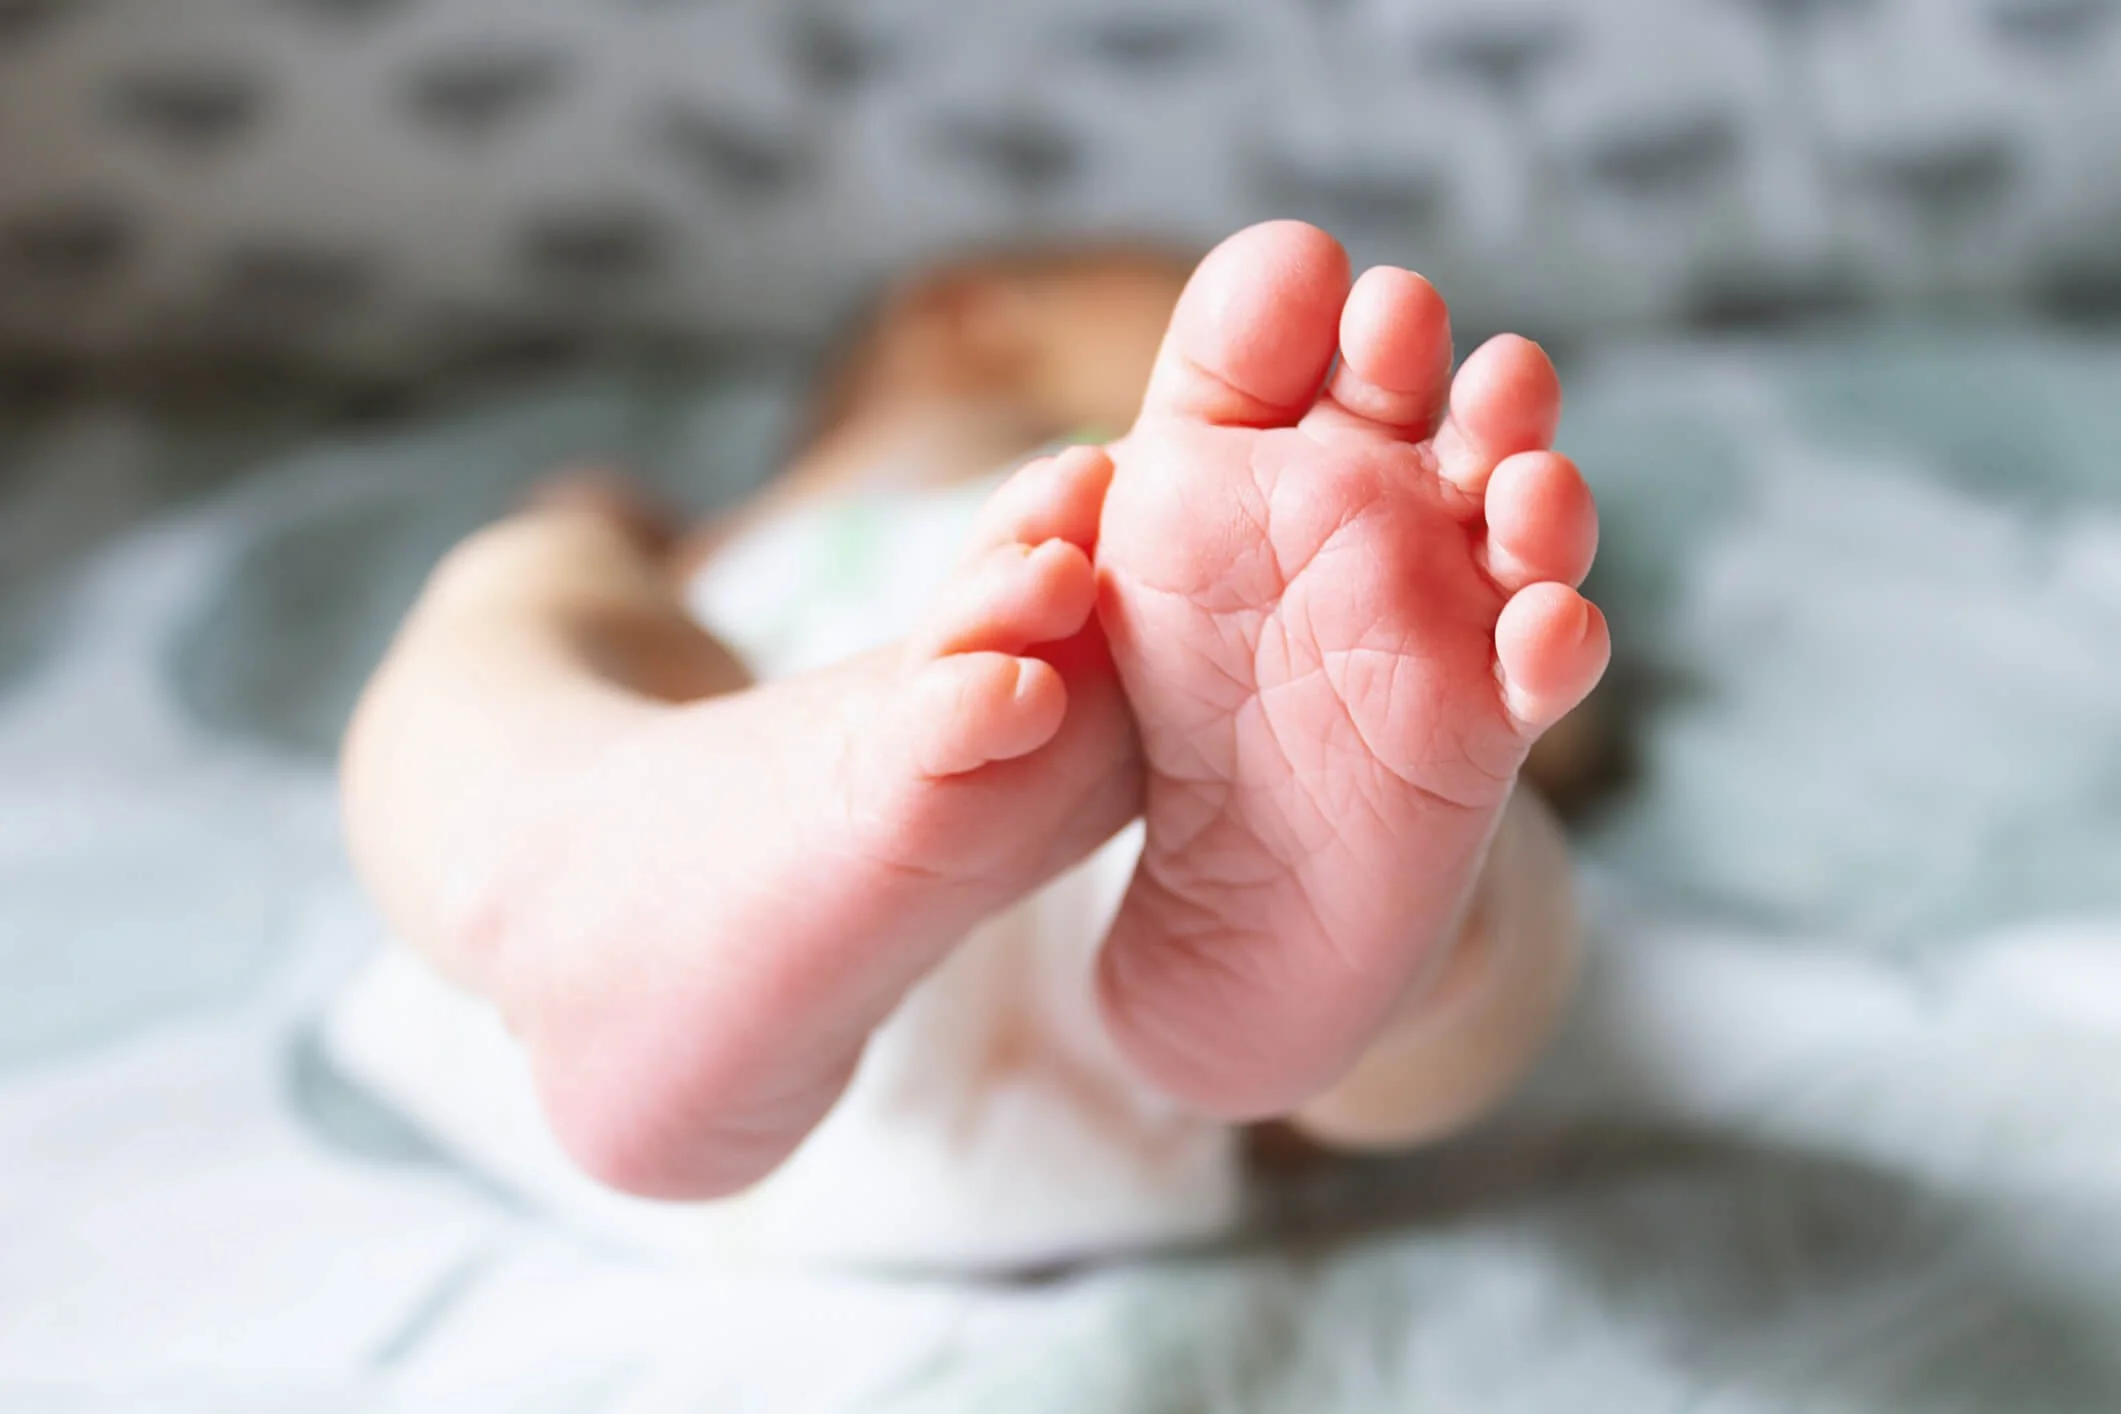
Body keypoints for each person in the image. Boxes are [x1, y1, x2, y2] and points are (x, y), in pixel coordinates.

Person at [341, 220, 1610, 1205]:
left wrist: (574, 529)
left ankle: (1391, 952)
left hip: (1119, 883)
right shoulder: (920, 442)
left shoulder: (1285, 577)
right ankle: (1431, 959)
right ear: (970, 317)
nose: (1310, 391)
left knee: (505, 617)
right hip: (710, 906)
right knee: (1479, 910)